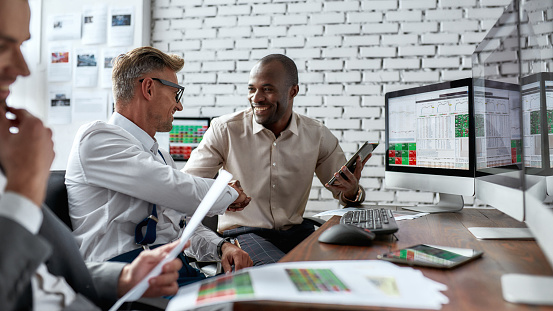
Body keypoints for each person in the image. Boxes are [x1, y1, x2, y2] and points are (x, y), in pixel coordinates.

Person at [0, 0, 184, 309]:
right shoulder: (97, 137)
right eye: (3, 45)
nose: (24, 68)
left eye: (22, 46)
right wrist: (25, 185)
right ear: (148, 89)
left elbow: (38, 278)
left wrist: (121, 278)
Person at [65, 46, 253, 282]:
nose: (179, 106)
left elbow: (180, 225)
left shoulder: (160, 156)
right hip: (126, 278)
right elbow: (177, 187)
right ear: (149, 88)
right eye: (176, 93)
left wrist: (222, 247)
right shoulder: (97, 139)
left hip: (170, 269)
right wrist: (229, 193)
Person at [183, 54, 369, 265]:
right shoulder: (224, 130)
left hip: (297, 233)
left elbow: (345, 192)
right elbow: (183, 188)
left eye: (268, 89)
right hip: (245, 235)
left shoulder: (317, 134)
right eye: (252, 89)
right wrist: (221, 191)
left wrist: (352, 192)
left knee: (348, 265)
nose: (257, 97)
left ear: (293, 91)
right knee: (284, 276)